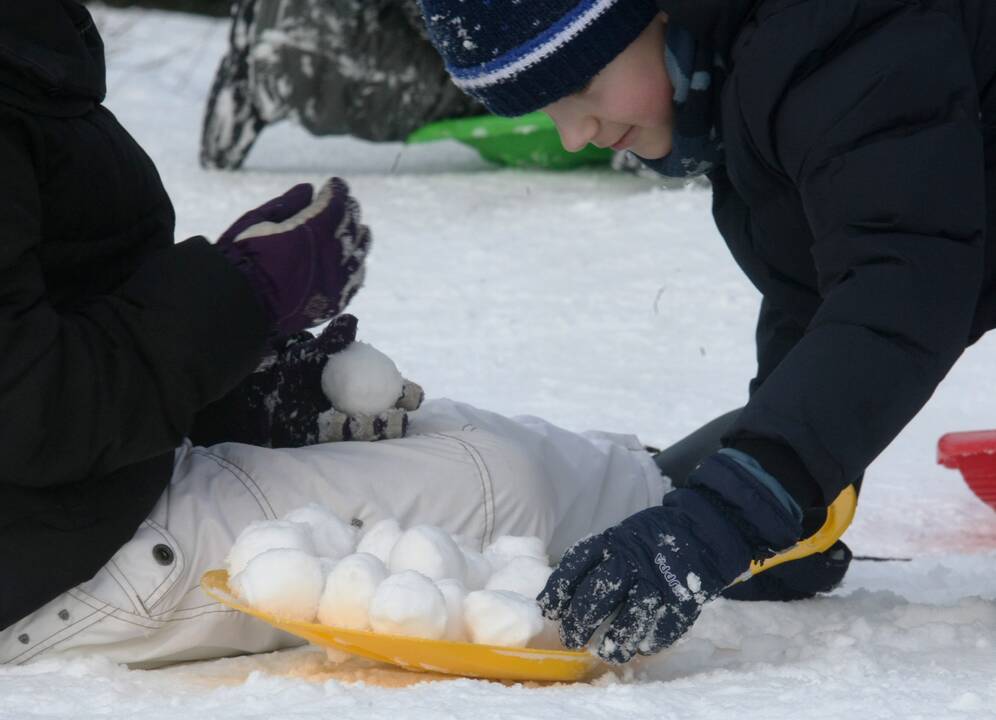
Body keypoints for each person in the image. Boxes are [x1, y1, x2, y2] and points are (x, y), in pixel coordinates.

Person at [0, 0, 668, 667]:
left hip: (96, 487)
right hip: (60, 557)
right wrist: (242, 295)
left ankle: (692, 483)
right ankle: (712, 513)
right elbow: (27, 408)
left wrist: (230, 386)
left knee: (474, 443)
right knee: (506, 486)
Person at [414, 0, 996, 663]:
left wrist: (728, 517)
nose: (575, 134)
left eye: (578, 87)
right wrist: (787, 501)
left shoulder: (833, 30)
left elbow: (901, 282)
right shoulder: (745, 76)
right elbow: (821, 296)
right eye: (546, 112)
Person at [200, 0, 482, 170]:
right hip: (326, 55)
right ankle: (288, 56)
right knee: (479, 88)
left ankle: (281, 48)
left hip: (326, 33)